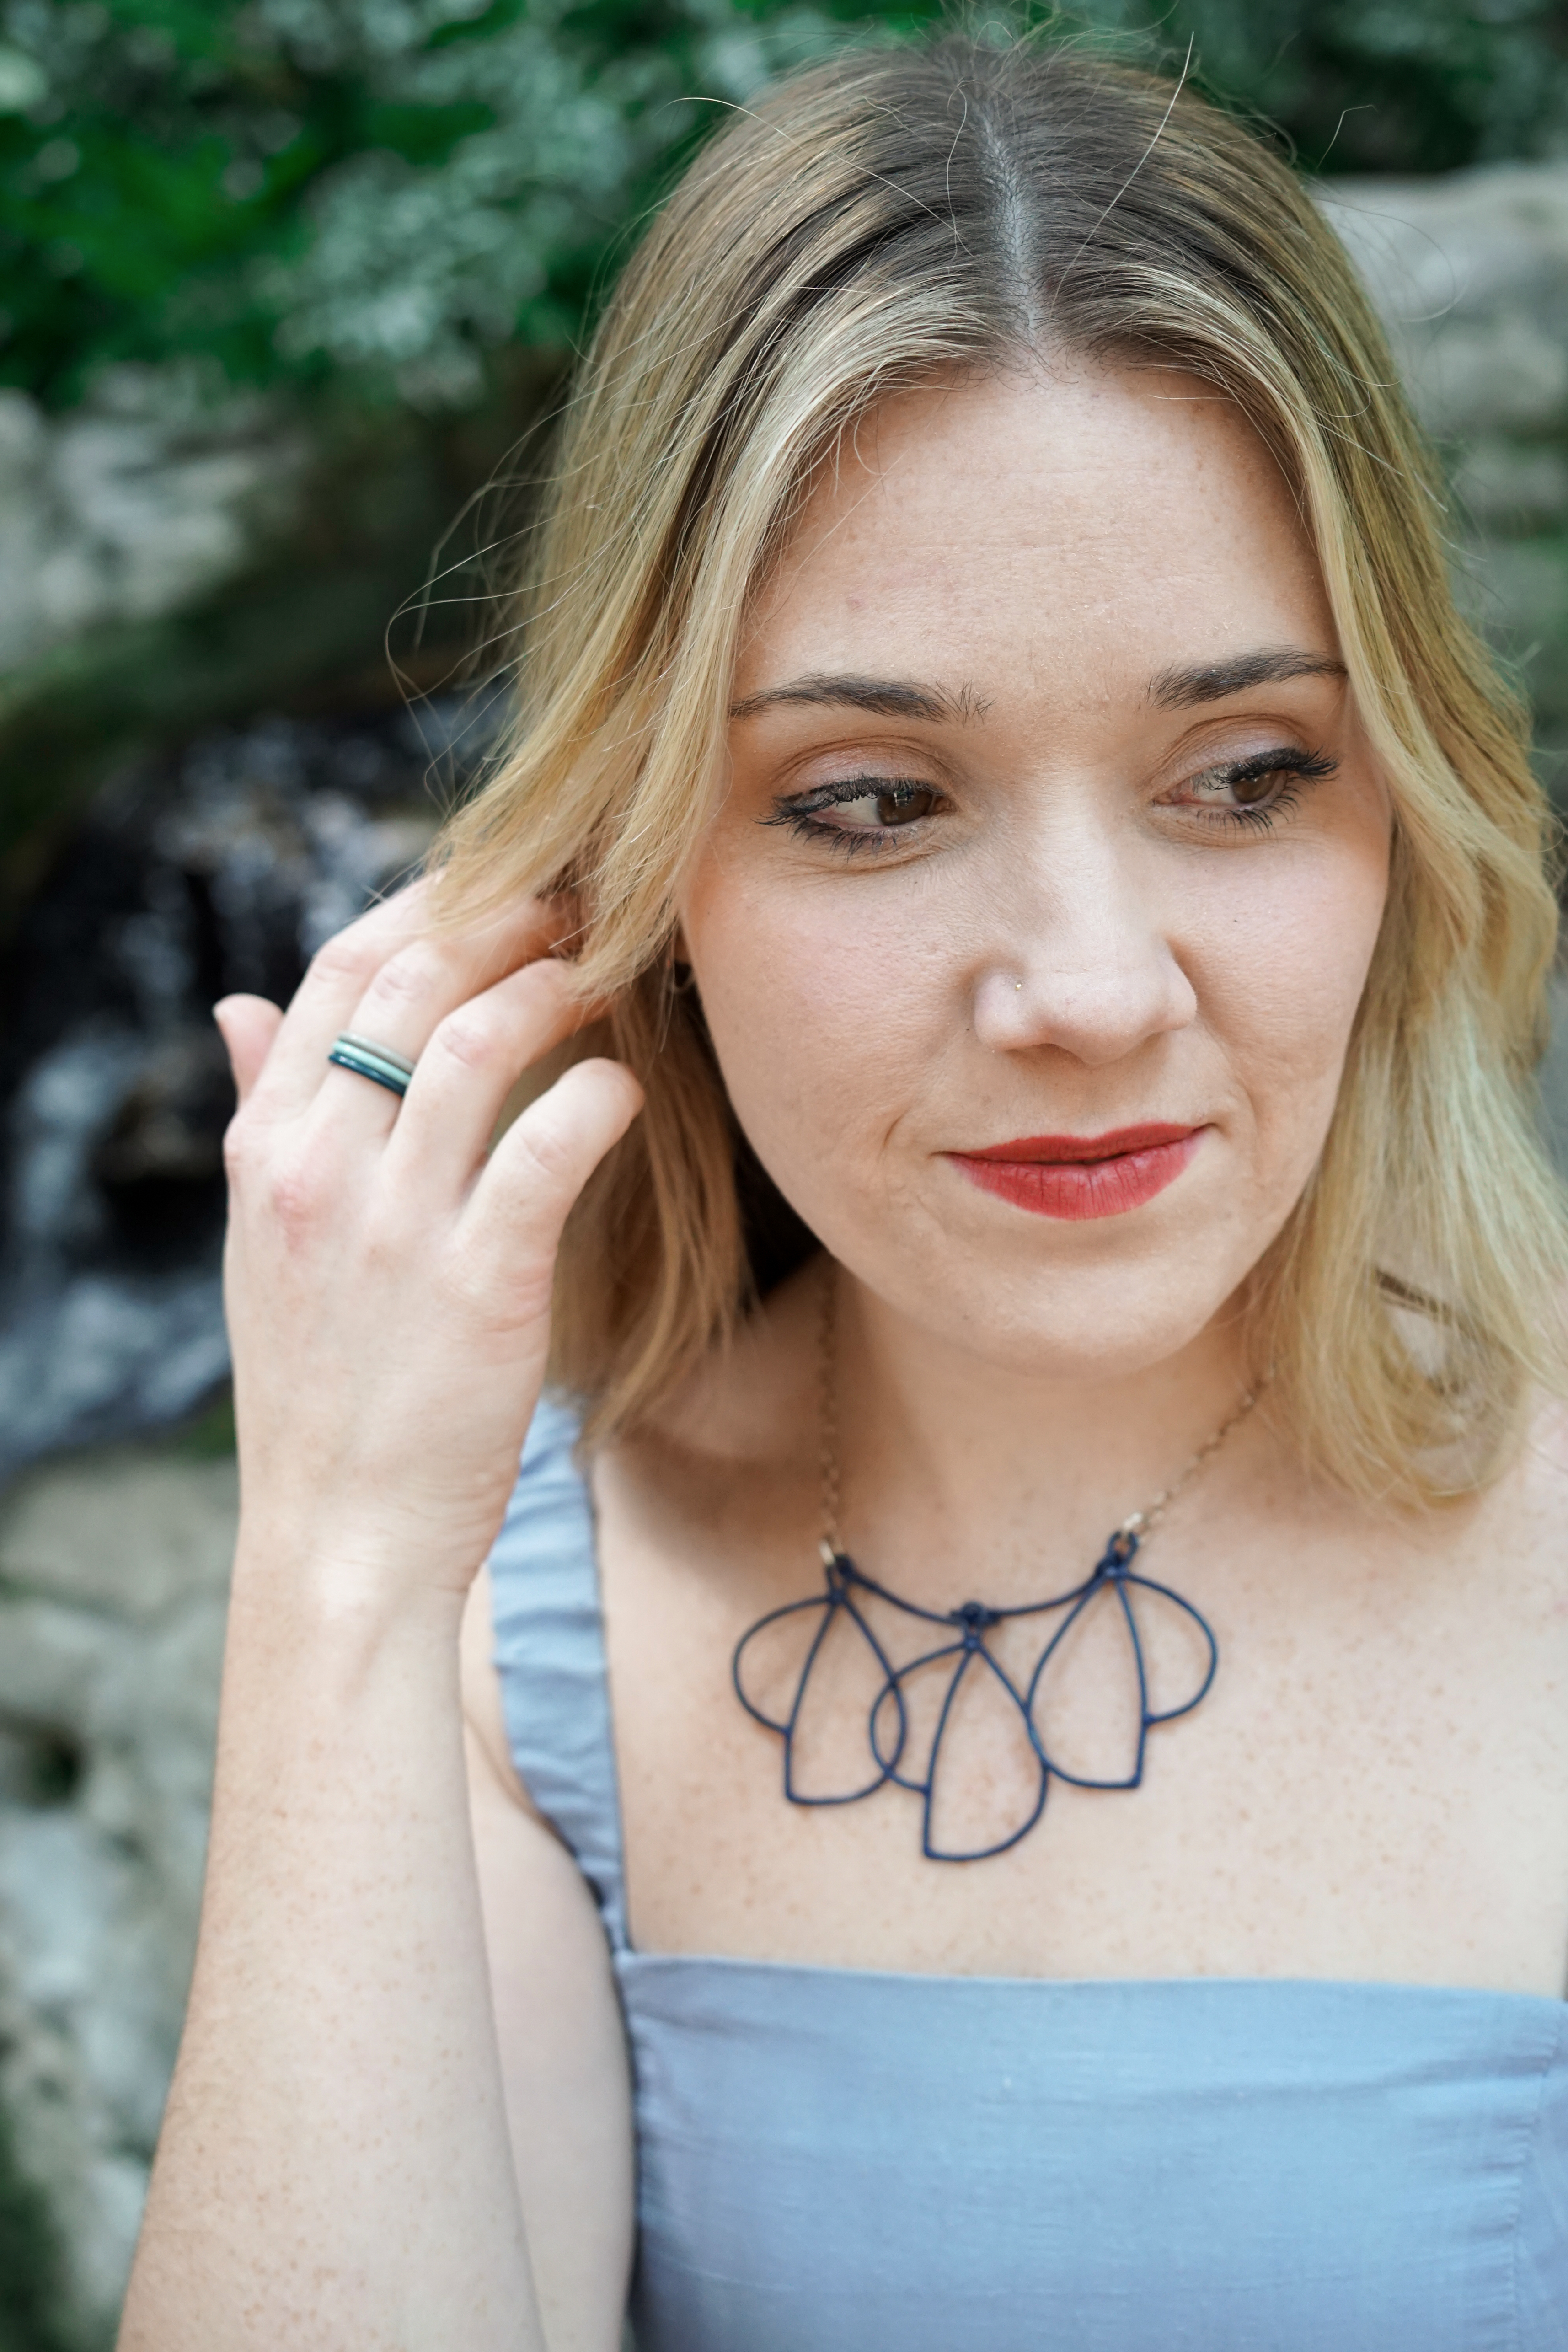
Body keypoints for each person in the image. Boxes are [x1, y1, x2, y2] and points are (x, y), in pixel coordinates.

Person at [119, 34, 1568, 2352]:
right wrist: (341, 1563)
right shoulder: (515, 1642)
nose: (1089, 988)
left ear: (1407, 798)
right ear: (632, 864)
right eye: (874, 800)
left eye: (1248, 770)